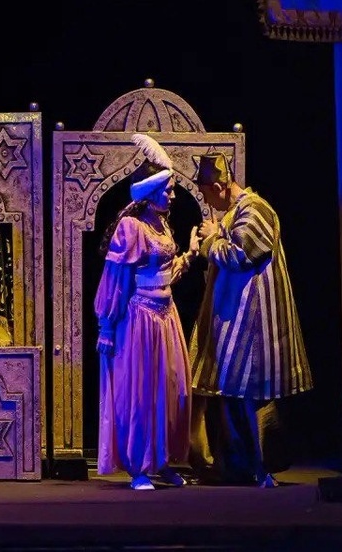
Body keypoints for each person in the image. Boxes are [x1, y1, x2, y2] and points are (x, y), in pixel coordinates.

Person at [187, 154, 312, 488]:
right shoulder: (236, 212)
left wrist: (211, 239)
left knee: (251, 396)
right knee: (232, 393)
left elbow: (241, 255)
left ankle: (260, 468)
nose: (208, 202)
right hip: (237, 322)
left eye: (207, 194)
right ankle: (238, 467)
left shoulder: (255, 210)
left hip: (255, 325)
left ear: (219, 187)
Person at [95, 134, 197, 491]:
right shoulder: (131, 228)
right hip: (139, 318)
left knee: (171, 390)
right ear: (151, 193)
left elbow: (166, 274)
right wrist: (107, 326)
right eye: (168, 190)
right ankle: (139, 467)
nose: (173, 195)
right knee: (139, 393)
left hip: (167, 316)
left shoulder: (163, 225)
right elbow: (116, 279)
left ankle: (162, 459)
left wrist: (190, 254)